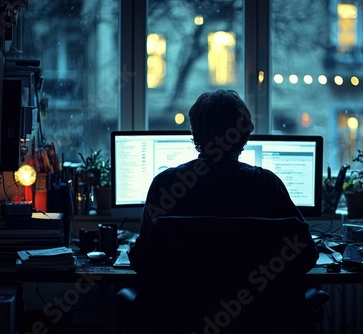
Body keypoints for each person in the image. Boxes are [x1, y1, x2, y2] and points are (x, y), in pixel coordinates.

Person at [129, 89, 318, 273]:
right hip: (256, 303)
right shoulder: (267, 184)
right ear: (244, 134)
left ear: (195, 133)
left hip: (180, 303)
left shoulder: (165, 184)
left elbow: (143, 259)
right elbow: (307, 253)